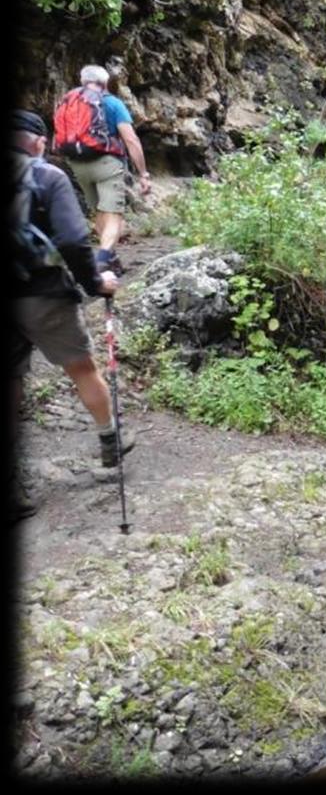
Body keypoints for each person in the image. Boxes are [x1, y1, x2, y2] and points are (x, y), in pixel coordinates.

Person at [10, 109, 131, 520]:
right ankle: (109, 438)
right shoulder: (47, 177)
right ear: (39, 141)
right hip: (45, 295)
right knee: (82, 367)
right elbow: (73, 238)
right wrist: (95, 282)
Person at [56, 63, 151, 274]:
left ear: (82, 82)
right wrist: (143, 173)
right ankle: (102, 259)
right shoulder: (113, 104)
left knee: (99, 212)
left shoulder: (69, 102)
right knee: (113, 214)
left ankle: (112, 258)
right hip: (107, 165)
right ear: (106, 82)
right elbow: (131, 139)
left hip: (78, 165)